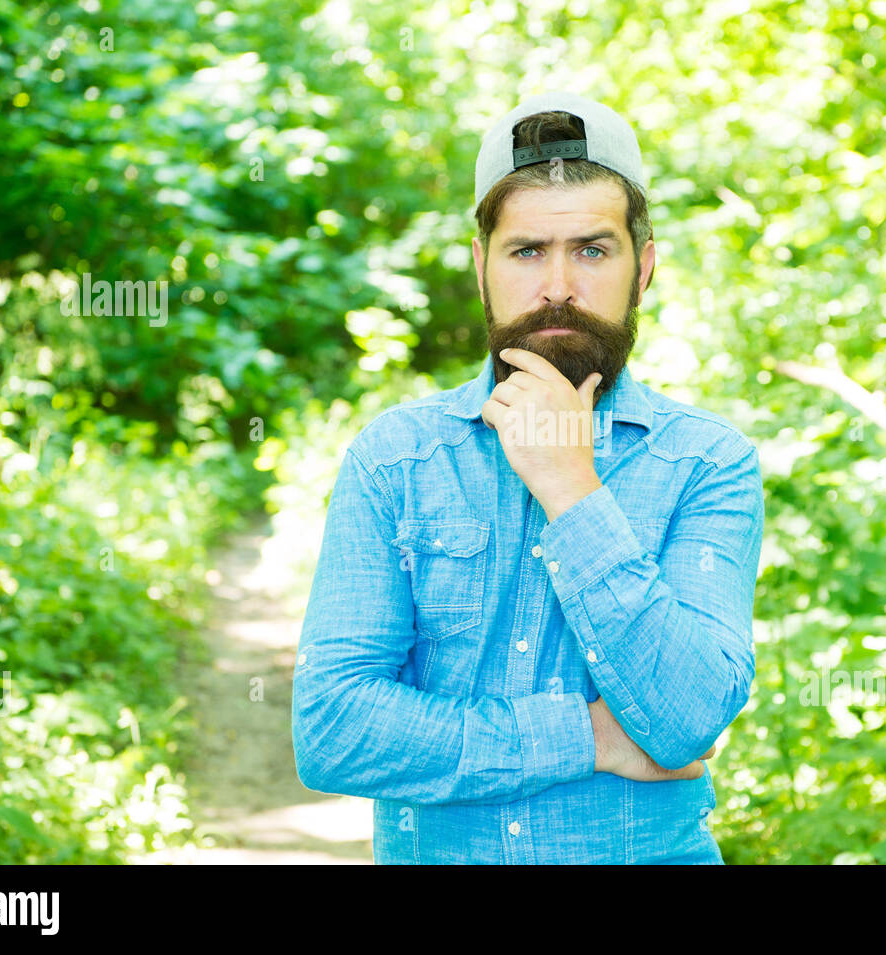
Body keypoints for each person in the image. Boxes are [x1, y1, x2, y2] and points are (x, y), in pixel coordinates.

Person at [292, 91, 765, 864]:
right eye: (525, 251)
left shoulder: (708, 463)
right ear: (481, 267)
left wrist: (571, 486)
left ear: (643, 268)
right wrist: (589, 735)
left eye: (591, 250)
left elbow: (688, 719)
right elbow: (334, 730)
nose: (557, 286)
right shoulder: (395, 460)